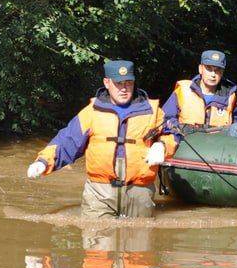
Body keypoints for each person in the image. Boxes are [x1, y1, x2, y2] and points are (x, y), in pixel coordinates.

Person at [26, 60, 175, 218]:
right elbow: (67, 141)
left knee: (139, 237)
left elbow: (172, 134)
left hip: (139, 193)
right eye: (119, 83)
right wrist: (43, 162)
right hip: (99, 193)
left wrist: (162, 146)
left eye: (129, 83)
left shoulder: (153, 112)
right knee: (96, 237)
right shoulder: (91, 112)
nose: (124, 89)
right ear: (107, 82)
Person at [161, 49, 237, 132]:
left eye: (218, 70)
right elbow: (165, 118)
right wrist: (180, 129)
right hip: (186, 140)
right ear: (200, 69)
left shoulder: (230, 96)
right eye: (209, 69)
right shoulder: (184, 90)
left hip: (219, 142)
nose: (213, 74)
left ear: (222, 72)